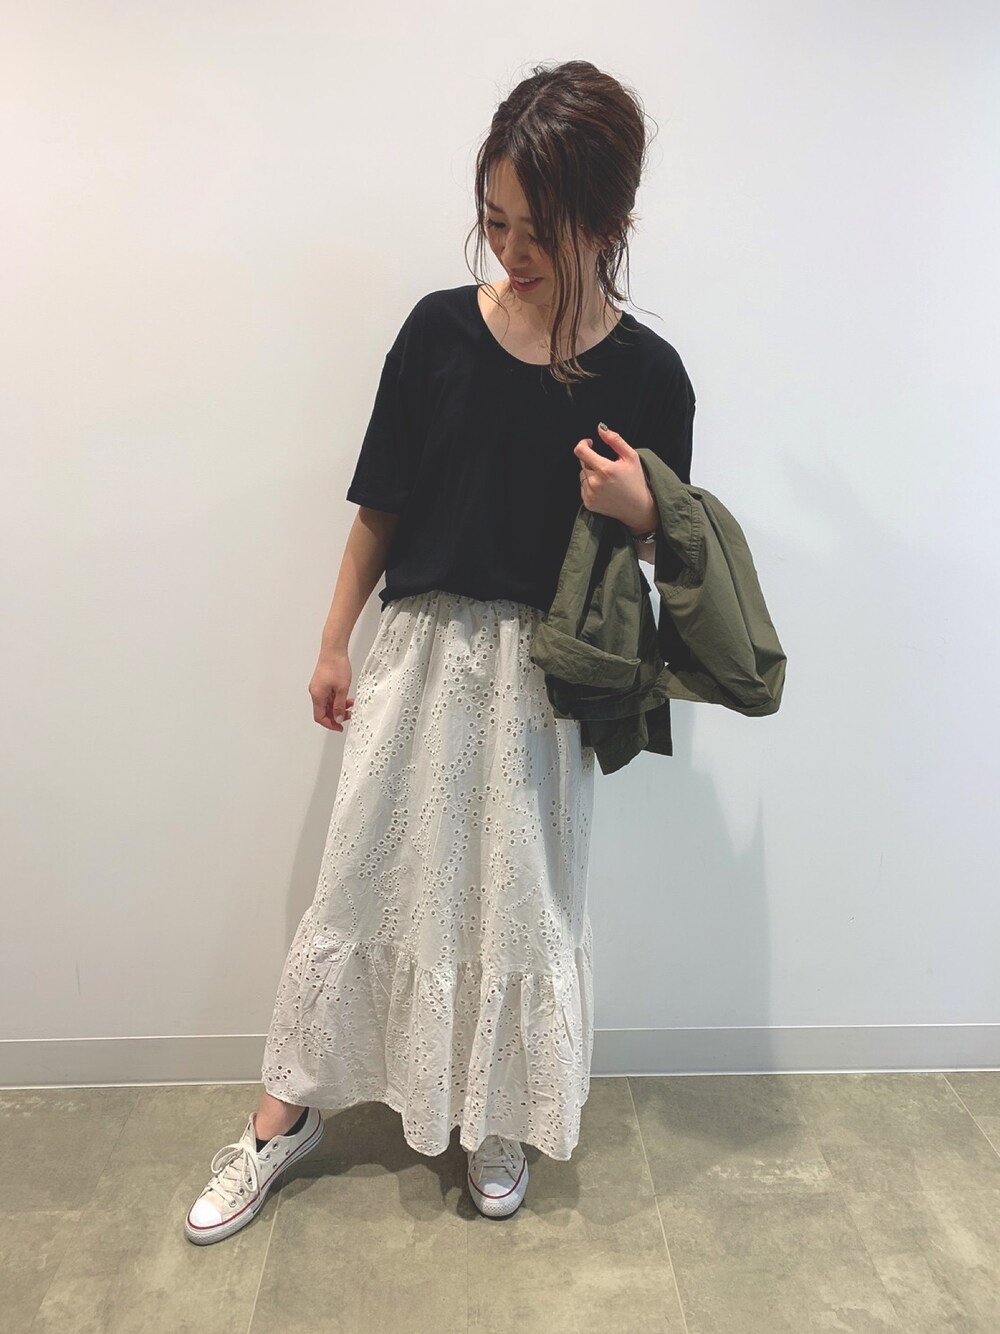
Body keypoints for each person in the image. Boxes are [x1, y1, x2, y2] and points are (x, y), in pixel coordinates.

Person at [185, 58, 696, 1246]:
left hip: (547, 684)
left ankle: (498, 1112)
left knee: (519, 908)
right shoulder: (435, 332)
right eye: (494, 219)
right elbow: (383, 504)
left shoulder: (648, 376)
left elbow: (672, 565)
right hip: (417, 655)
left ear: (608, 222)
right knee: (357, 880)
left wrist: (644, 510)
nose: (509, 250)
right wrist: (333, 640)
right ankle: (283, 1113)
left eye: (537, 229)